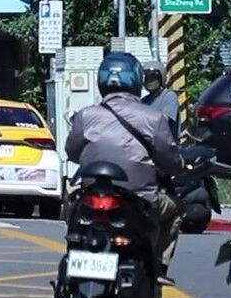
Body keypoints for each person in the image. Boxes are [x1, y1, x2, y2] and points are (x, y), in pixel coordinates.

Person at [66, 51, 184, 279]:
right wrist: (179, 165)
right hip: (140, 198)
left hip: (92, 194)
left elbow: (71, 152)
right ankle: (157, 270)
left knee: (72, 205)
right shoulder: (153, 118)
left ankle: (73, 250)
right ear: (137, 80)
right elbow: (171, 160)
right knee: (176, 209)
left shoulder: (85, 116)